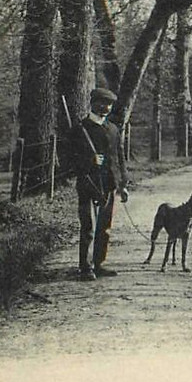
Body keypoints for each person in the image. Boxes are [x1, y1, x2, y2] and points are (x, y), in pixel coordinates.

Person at [70, 87, 129, 281]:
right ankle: (85, 267)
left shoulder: (113, 129)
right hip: (88, 184)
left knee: (104, 227)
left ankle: (99, 264)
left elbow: (119, 158)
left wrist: (123, 185)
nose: (105, 107)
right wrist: (89, 161)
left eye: (109, 104)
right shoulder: (80, 129)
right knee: (88, 226)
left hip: (109, 185)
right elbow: (67, 160)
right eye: (101, 103)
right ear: (92, 103)